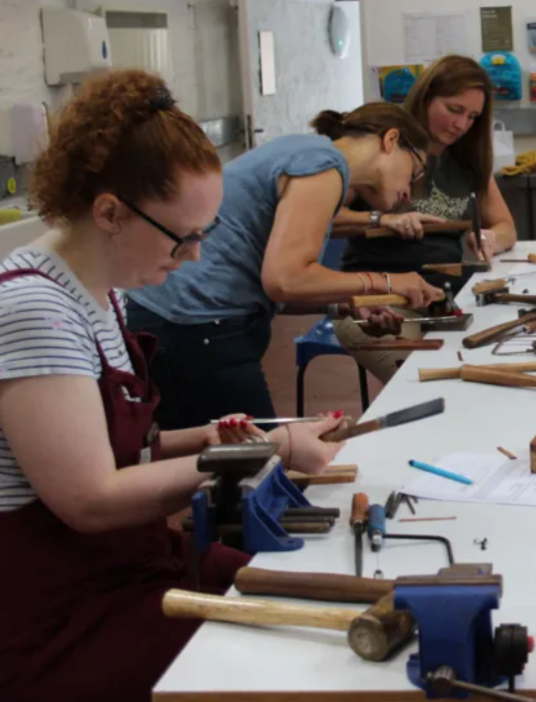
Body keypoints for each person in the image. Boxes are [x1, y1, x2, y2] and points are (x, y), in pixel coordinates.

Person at [0, 70, 346, 702]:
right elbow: (91, 498)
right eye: (182, 237)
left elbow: (125, 451)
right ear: (108, 211)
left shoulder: (106, 297)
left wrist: (224, 436)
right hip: (60, 614)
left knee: (314, 595)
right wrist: (268, 451)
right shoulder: (35, 312)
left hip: (123, 569)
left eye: (203, 236)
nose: (192, 257)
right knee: (291, 660)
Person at [126, 103, 444, 430]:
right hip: (193, 328)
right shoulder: (323, 164)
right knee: (260, 465)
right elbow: (285, 279)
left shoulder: (309, 154)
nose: (409, 188)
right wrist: (388, 282)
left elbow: (275, 287)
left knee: (240, 465)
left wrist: (345, 303)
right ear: (391, 140)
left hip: (186, 324)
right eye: (414, 169)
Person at [334, 55, 519, 383]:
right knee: (423, 383)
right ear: (425, 98)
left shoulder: (467, 160)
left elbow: (506, 227)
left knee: (492, 370)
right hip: (380, 301)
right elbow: (326, 218)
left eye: (472, 116)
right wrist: (380, 220)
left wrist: (490, 238)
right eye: (454, 109)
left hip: (448, 299)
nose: (461, 125)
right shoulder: (381, 150)